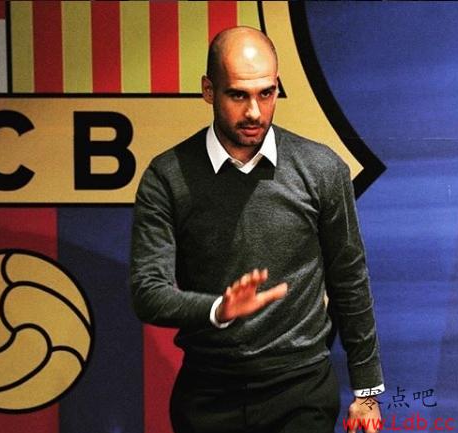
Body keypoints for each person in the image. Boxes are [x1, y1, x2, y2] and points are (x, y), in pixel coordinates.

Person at [130, 26, 383, 433]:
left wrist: (366, 392)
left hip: (301, 391)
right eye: (238, 95)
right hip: (209, 394)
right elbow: (147, 292)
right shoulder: (167, 177)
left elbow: (349, 280)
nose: (254, 112)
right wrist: (218, 309)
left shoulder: (321, 169)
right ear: (209, 90)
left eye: (266, 93)